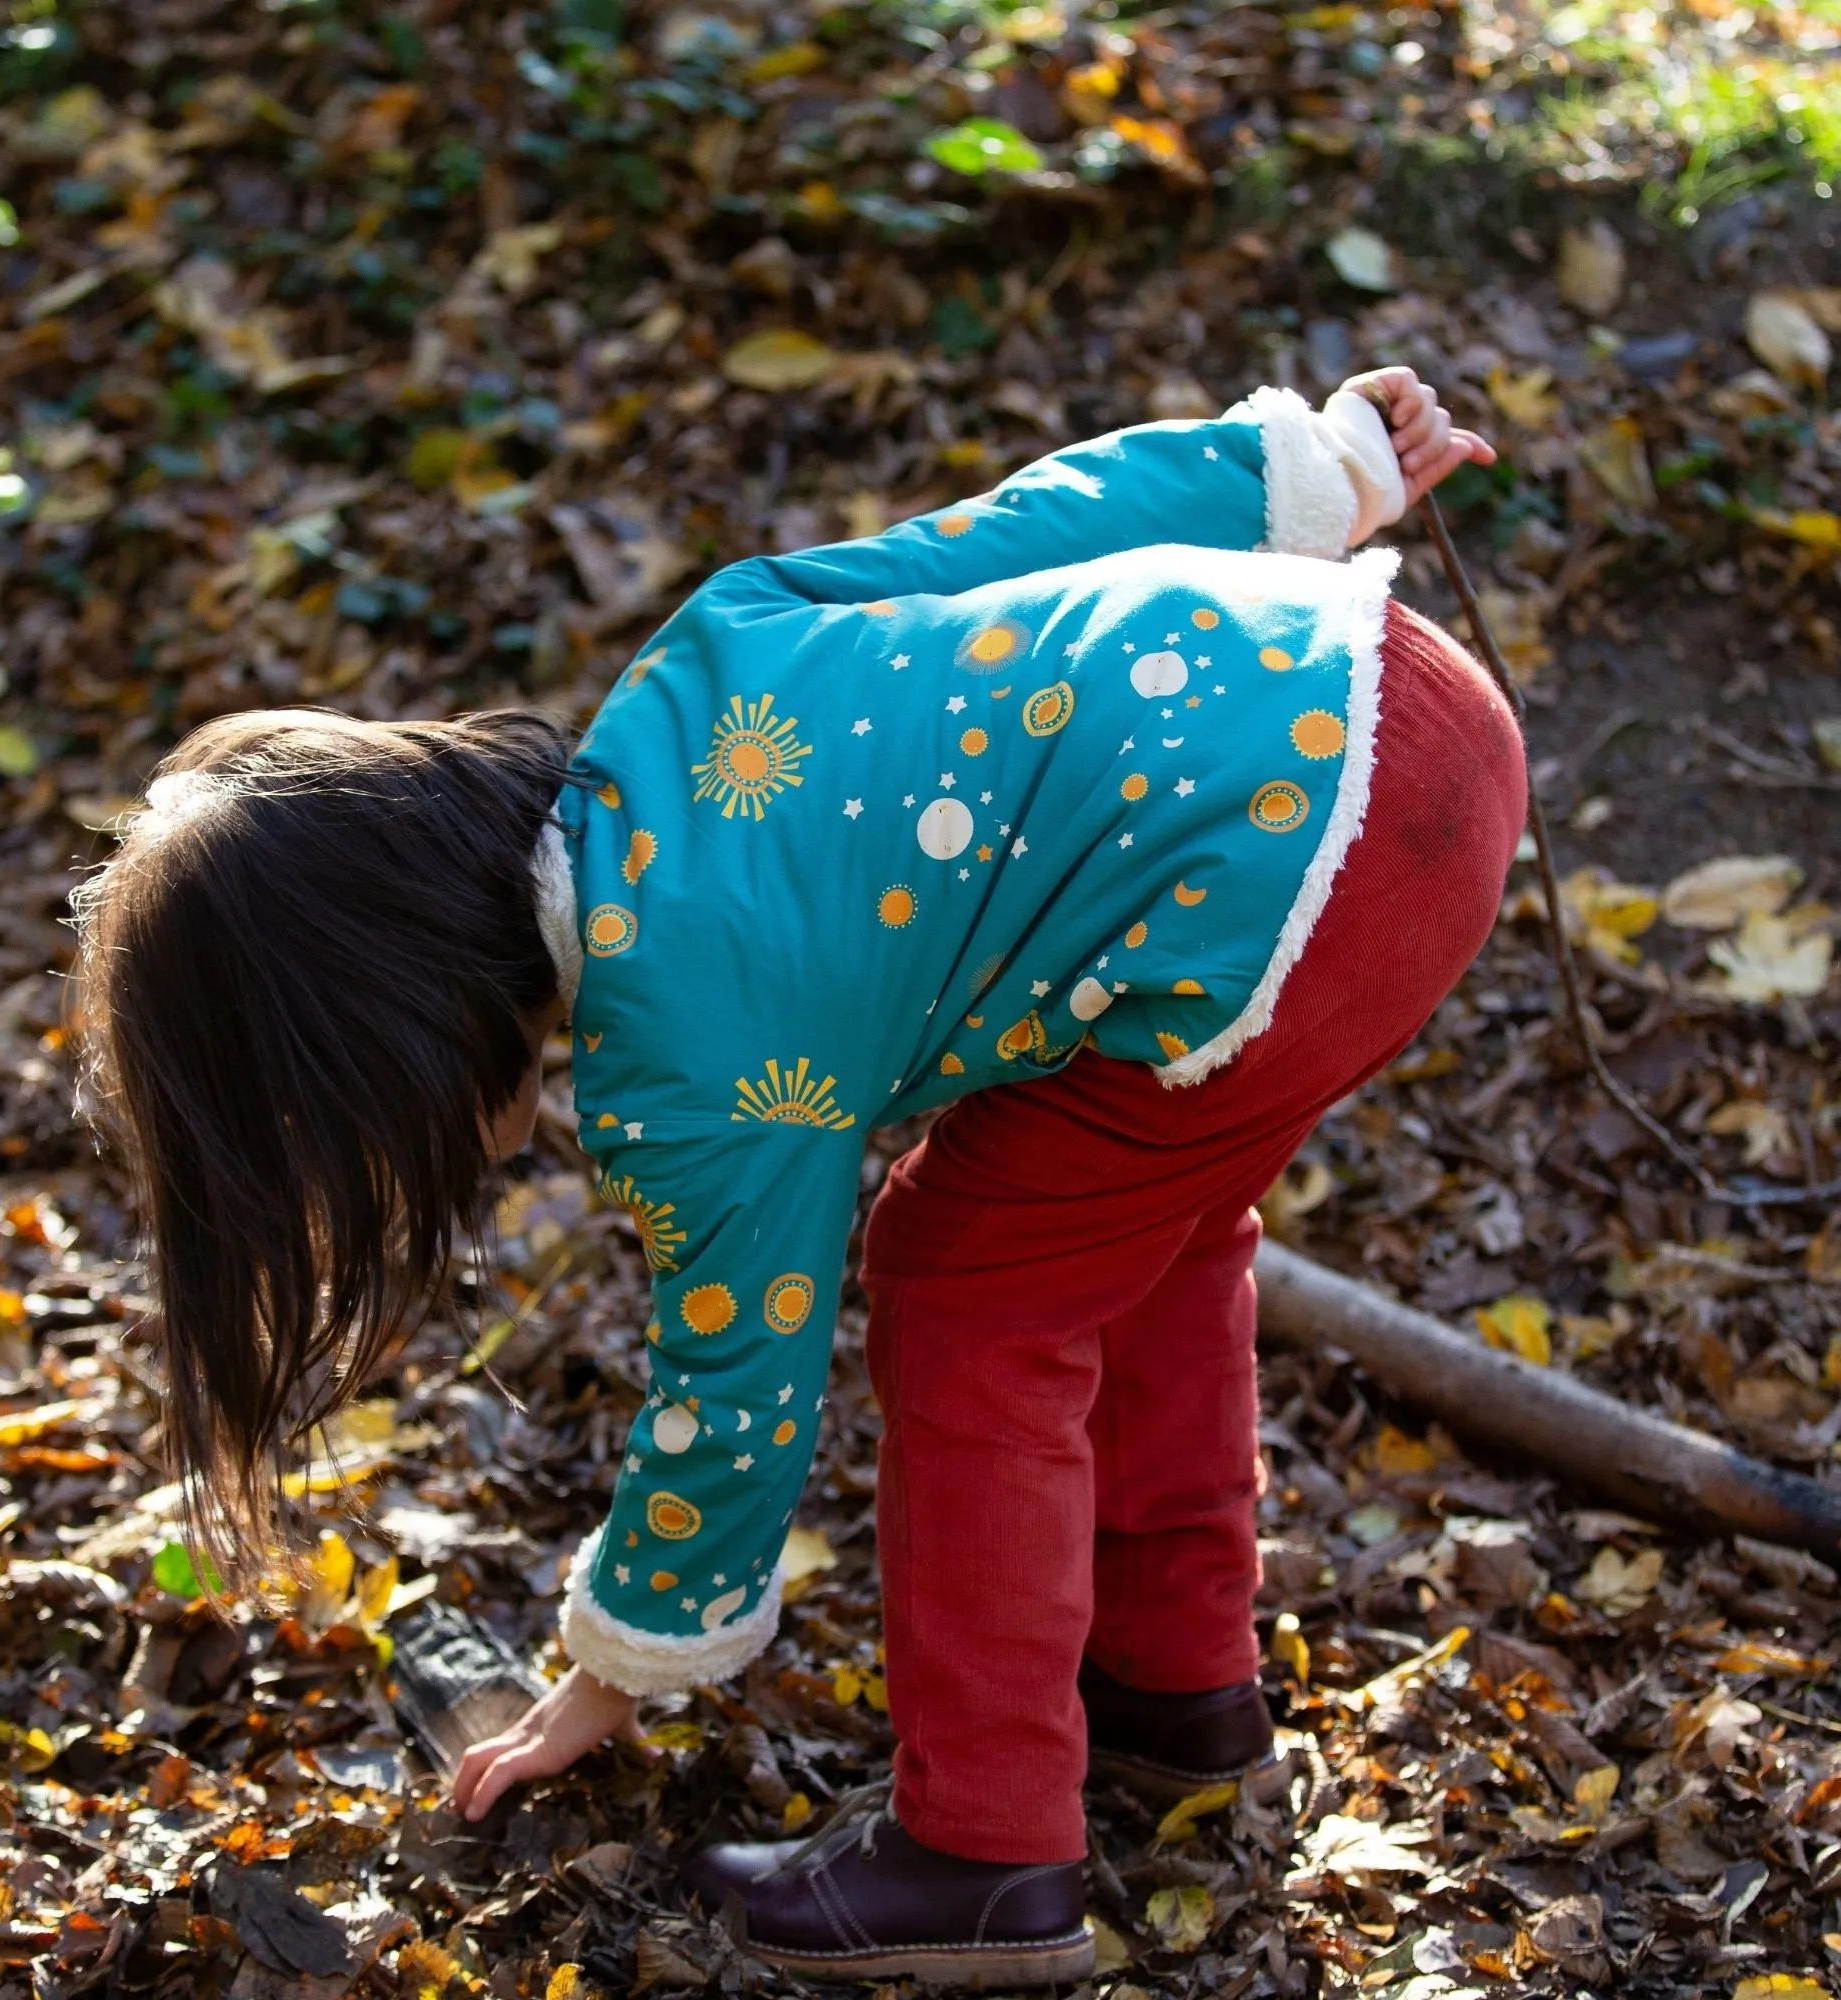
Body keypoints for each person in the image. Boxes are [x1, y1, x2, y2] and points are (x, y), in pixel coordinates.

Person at [75, 367, 1518, 1987]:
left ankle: (985, 1850)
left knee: (966, 1295)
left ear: (399, 1029)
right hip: (1400, 714)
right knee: (1144, 1228)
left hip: (1265, 859)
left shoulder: (685, 1049)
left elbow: (738, 1384)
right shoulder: (702, 667)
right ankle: (1177, 1691)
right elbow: (1028, 525)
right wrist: (1318, 471)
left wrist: (612, 1667)